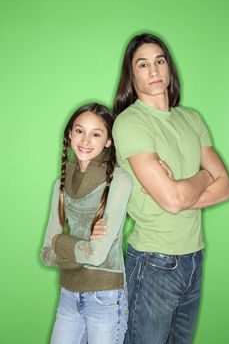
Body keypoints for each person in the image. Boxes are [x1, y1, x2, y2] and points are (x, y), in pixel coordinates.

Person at [111, 33, 229, 344]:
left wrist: (180, 191)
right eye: (143, 64)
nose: (153, 70)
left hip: (193, 258)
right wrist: (204, 177)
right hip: (154, 262)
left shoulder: (191, 119)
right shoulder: (130, 123)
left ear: (169, 68)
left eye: (159, 61)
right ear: (132, 74)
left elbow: (226, 187)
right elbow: (174, 198)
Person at [41, 103, 132, 344]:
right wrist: (81, 244)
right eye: (79, 131)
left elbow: (97, 255)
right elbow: (46, 254)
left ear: (108, 141)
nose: (86, 140)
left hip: (105, 296)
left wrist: (60, 241)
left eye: (96, 133)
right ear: (70, 133)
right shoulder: (60, 185)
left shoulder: (119, 180)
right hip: (68, 294)